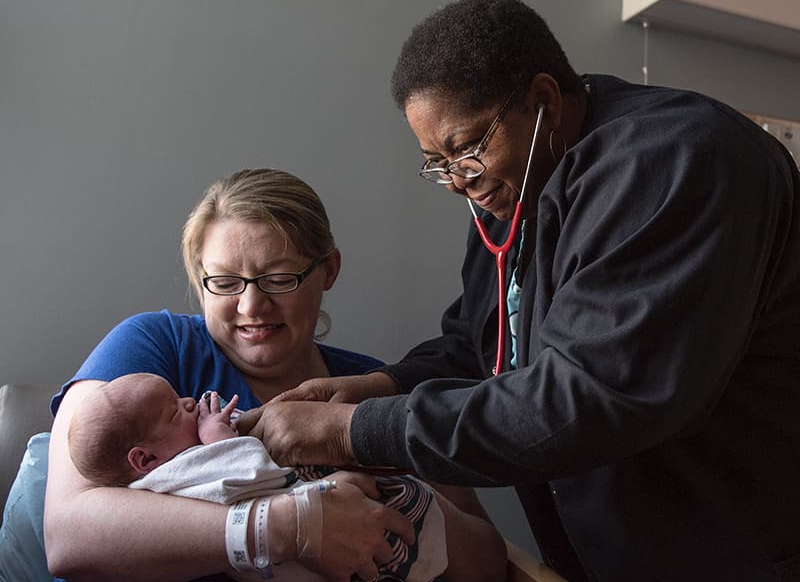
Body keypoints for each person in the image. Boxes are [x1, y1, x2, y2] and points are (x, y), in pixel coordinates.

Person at [235, 0, 800, 582]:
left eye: (467, 149)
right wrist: (376, 387)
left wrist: (358, 432)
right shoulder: (512, 197)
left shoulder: (677, 161)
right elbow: (479, 349)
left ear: (543, 101)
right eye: (437, 162)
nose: (457, 181)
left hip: (736, 550)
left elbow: (593, 394)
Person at [41, 168, 506, 582]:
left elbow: (487, 561)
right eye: (223, 282)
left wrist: (384, 492)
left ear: (329, 271)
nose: (250, 306)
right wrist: (296, 525)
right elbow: (70, 537)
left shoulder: (374, 390)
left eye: (279, 278)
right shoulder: (153, 344)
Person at [68, 372, 449, 582]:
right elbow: (246, 474)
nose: (188, 403)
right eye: (173, 413)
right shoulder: (169, 479)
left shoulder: (168, 460)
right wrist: (219, 437)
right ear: (144, 458)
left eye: (178, 397)